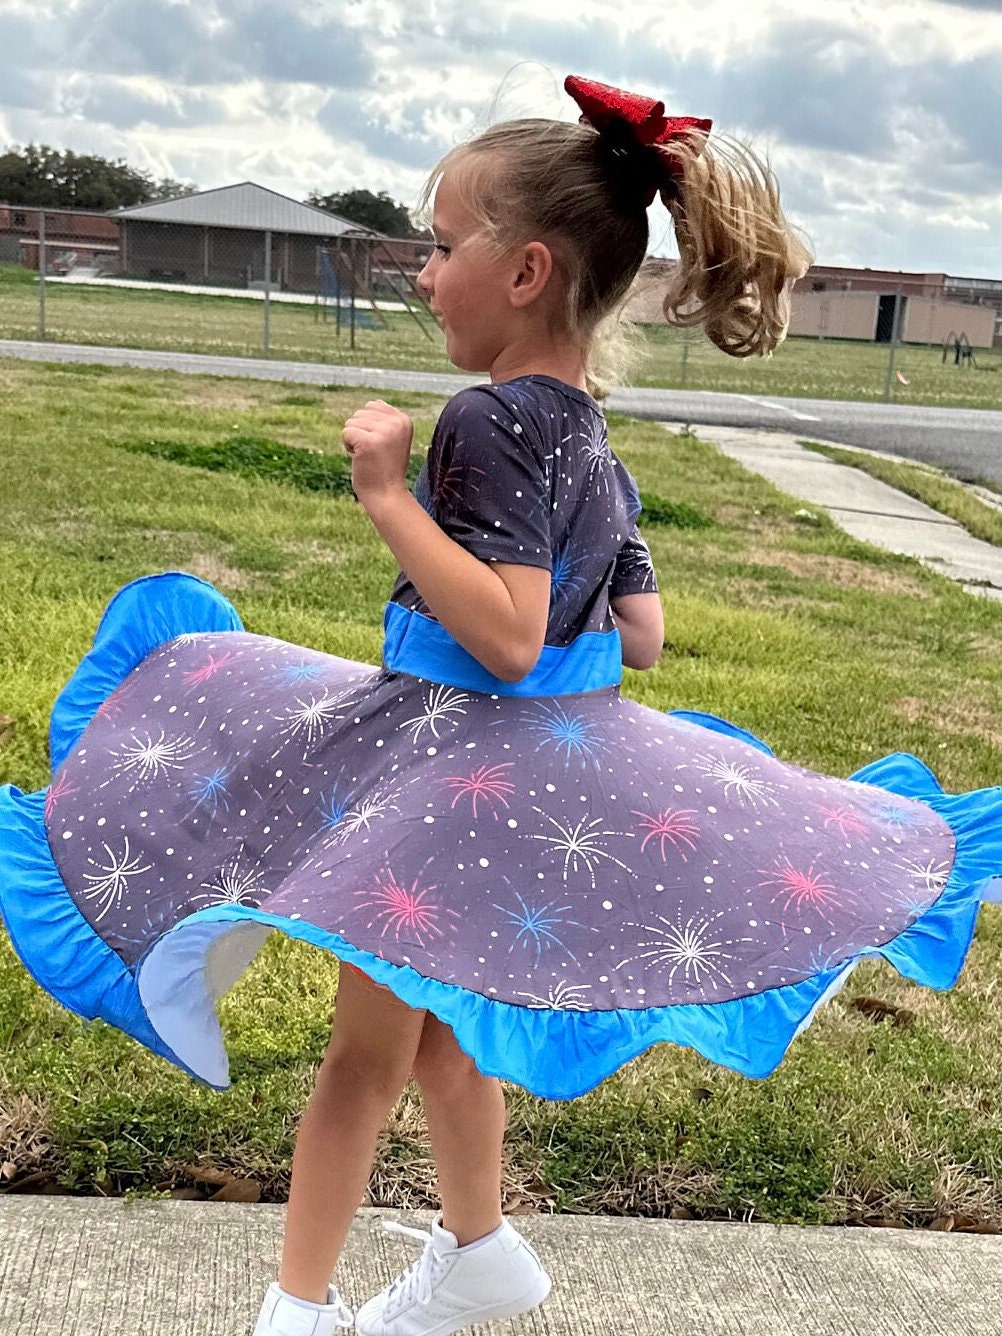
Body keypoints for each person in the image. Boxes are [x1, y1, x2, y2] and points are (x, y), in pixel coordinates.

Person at [0, 74, 999, 1336]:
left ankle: (292, 1314)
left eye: (438, 243)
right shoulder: (593, 434)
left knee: (361, 1063)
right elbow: (640, 641)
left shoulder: (484, 418)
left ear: (524, 271)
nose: (421, 273)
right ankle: (479, 1254)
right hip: (533, 773)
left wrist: (386, 493)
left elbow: (513, 638)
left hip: (450, 766)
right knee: (449, 1036)